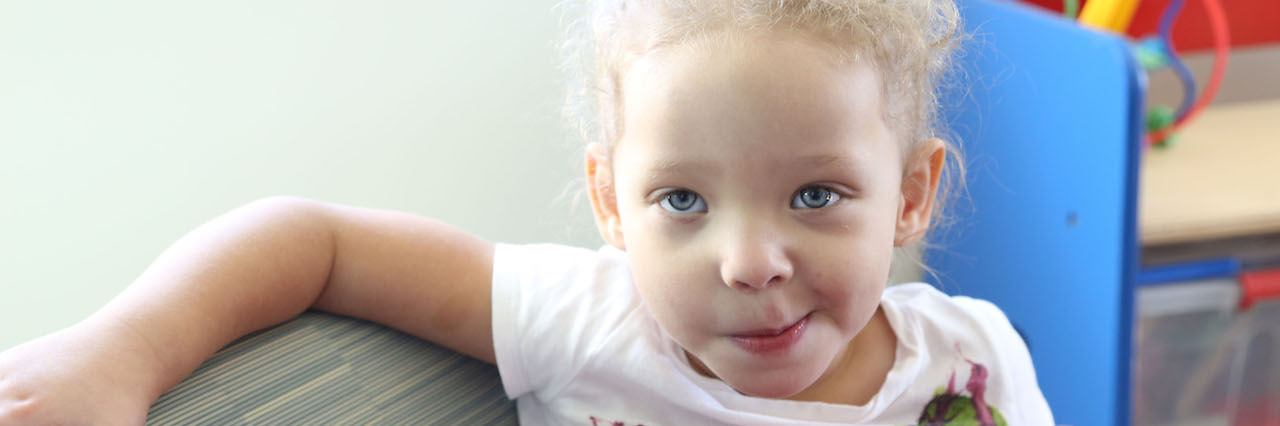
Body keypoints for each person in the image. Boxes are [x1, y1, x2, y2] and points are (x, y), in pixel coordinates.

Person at [0, 0, 1054, 424]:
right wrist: (120, 352)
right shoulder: (581, 319)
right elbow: (310, 241)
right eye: (679, 200)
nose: (747, 261)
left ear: (911, 194)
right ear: (609, 202)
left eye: (815, 195)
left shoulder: (973, 361)